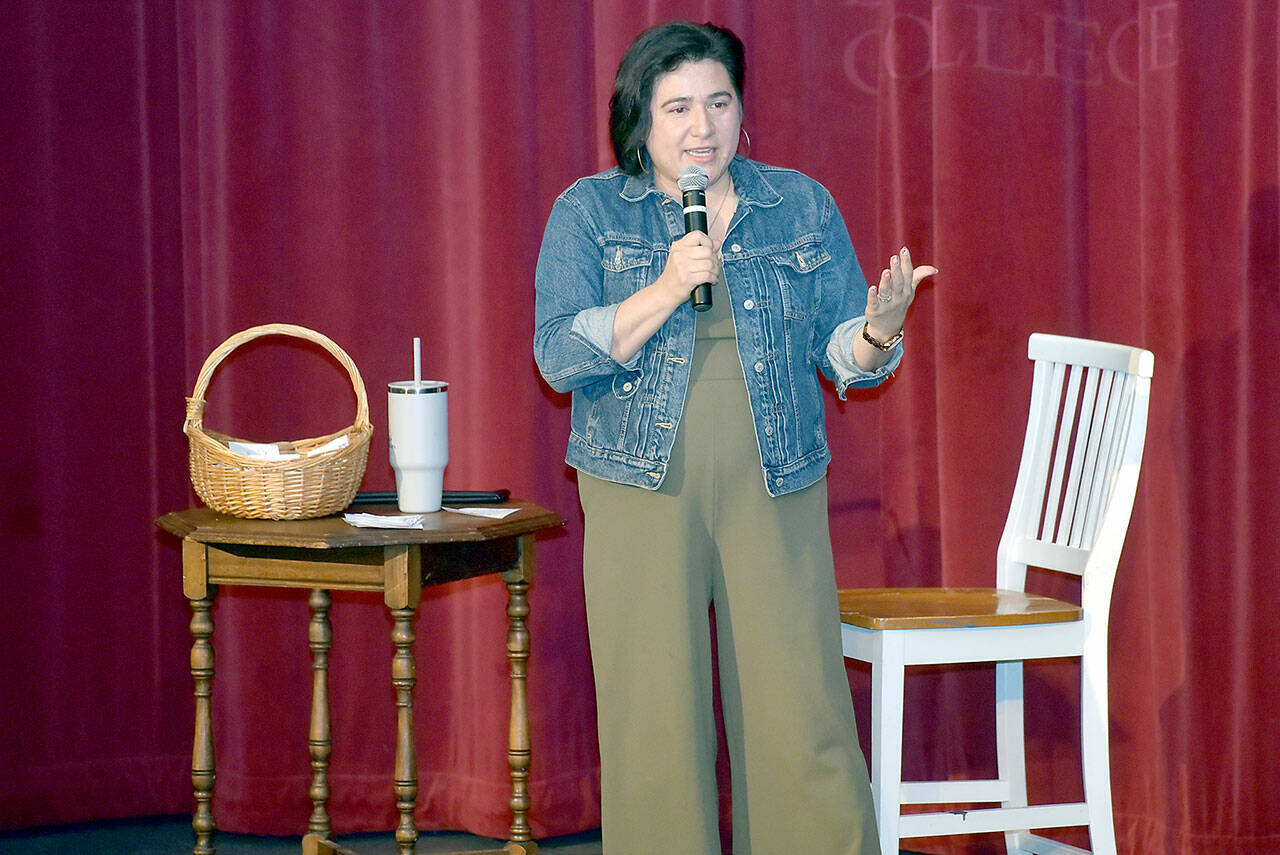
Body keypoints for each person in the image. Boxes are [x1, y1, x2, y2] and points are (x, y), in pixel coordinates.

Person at [533, 20, 936, 855]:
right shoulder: (588, 211)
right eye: (677, 106)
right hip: (640, 480)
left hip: (773, 473)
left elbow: (842, 354)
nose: (701, 126)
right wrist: (669, 284)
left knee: (801, 707)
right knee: (656, 717)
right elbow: (558, 353)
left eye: (718, 102)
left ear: (742, 110)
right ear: (640, 119)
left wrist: (880, 330)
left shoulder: (798, 203)